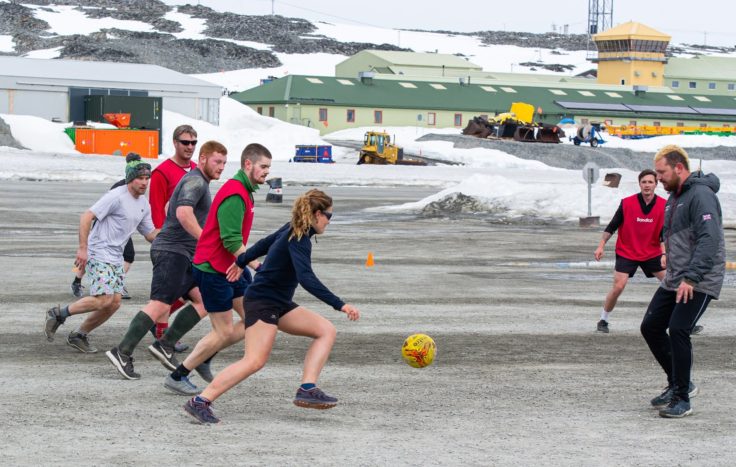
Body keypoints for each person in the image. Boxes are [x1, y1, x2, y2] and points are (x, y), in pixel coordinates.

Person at [183, 189, 361, 425]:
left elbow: (263, 244)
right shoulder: (299, 239)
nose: (329, 221)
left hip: (279, 302)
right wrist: (340, 304)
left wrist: (240, 261)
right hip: (262, 302)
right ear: (317, 214)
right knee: (254, 361)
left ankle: (307, 387)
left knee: (325, 330)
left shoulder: (292, 229)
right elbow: (306, 278)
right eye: (329, 216)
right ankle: (201, 401)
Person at [105, 141, 228, 382]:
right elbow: (182, 212)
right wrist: (206, 240)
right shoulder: (196, 181)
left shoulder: (194, 180)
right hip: (173, 252)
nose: (221, 167)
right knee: (160, 305)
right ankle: (122, 351)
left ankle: (166, 344)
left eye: (224, 162)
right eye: (217, 161)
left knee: (204, 300)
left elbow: (170, 205)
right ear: (202, 159)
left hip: (183, 253)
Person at [162, 143, 271, 395]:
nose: (266, 172)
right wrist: (255, 264)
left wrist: (242, 263)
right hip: (213, 269)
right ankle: (178, 375)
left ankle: (205, 355)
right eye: (263, 166)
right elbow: (231, 240)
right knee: (222, 331)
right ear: (248, 165)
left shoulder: (245, 190)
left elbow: (235, 242)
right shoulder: (235, 193)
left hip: (231, 266)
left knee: (254, 317)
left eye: (268, 167)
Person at [642, 144, 725, 418]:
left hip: (699, 278)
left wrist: (691, 277)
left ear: (679, 168)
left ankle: (682, 399)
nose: (659, 178)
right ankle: (681, 383)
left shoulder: (701, 195)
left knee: (678, 329)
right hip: (677, 276)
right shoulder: (676, 195)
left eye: (662, 172)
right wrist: (667, 255)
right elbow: (673, 234)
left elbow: (709, 238)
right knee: (651, 326)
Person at [44, 156, 158, 353]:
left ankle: (79, 335)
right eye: (140, 178)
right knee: (104, 299)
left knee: (114, 303)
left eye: (147, 178)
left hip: (115, 256)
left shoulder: (143, 204)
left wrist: (172, 233)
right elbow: (86, 216)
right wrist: (83, 248)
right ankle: (58, 314)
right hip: (98, 251)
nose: (145, 182)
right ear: (131, 178)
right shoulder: (116, 196)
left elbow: (150, 234)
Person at [593, 169, 666, 333]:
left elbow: (664, 234)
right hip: (627, 252)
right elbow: (612, 226)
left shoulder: (663, 205)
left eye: (650, 182)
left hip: (652, 253)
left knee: (673, 284)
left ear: (656, 184)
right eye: (644, 182)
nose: (647, 185)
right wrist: (601, 245)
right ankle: (603, 320)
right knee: (619, 286)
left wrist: (664, 254)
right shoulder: (627, 203)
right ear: (639, 184)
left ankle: (684, 320)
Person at [148, 124, 199, 348]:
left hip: (194, 243)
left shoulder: (198, 169)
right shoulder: (162, 172)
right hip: (172, 243)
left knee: (192, 292)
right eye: (185, 142)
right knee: (169, 292)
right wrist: (161, 238)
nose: (190, 147)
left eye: (193, 143)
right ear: (175, 143)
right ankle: (162, 335)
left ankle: (158, 326)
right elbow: (156, 208)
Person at [71, 159, 138, 300]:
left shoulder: (136, 188)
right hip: (106, 227)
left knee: (129, 255)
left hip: (122, 229)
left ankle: (115, 283)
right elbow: (98, 210)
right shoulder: (120, 187)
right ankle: (77, 281)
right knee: (89, 257)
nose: (144, 179)